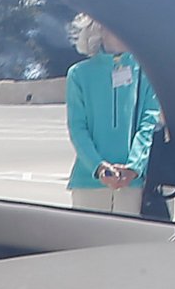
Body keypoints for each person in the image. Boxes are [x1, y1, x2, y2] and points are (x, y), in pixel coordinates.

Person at [63, 15, 160, 216]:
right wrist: (99, 167)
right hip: (88, 182)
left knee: (131, 246)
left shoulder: (147, 72)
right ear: (99, 28)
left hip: (134, 183)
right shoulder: (78, 74)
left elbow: (149, 122)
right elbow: (77, 129)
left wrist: (134, 167)